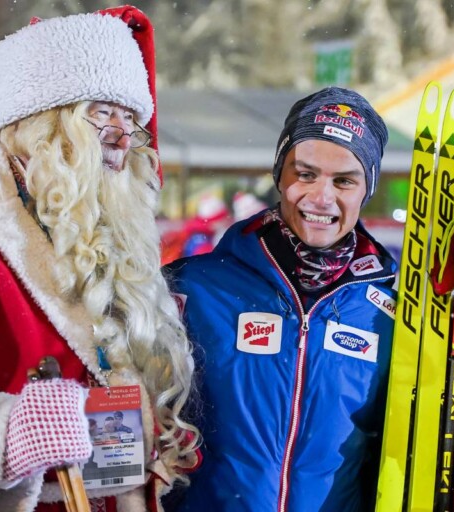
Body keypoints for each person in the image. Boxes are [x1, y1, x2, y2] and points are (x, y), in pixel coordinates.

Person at [0, 6, 198, 512]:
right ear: (41, 119)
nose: (123, 137)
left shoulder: (94, 221)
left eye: (130, 118)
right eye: (101, 113)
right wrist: (7, 435)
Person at [166, 87, 395, 511]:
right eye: (304, 174)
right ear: (279, 174)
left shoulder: (394, 311)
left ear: (367, 190)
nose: (321, 197)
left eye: (344, 180)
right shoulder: (192, 289)